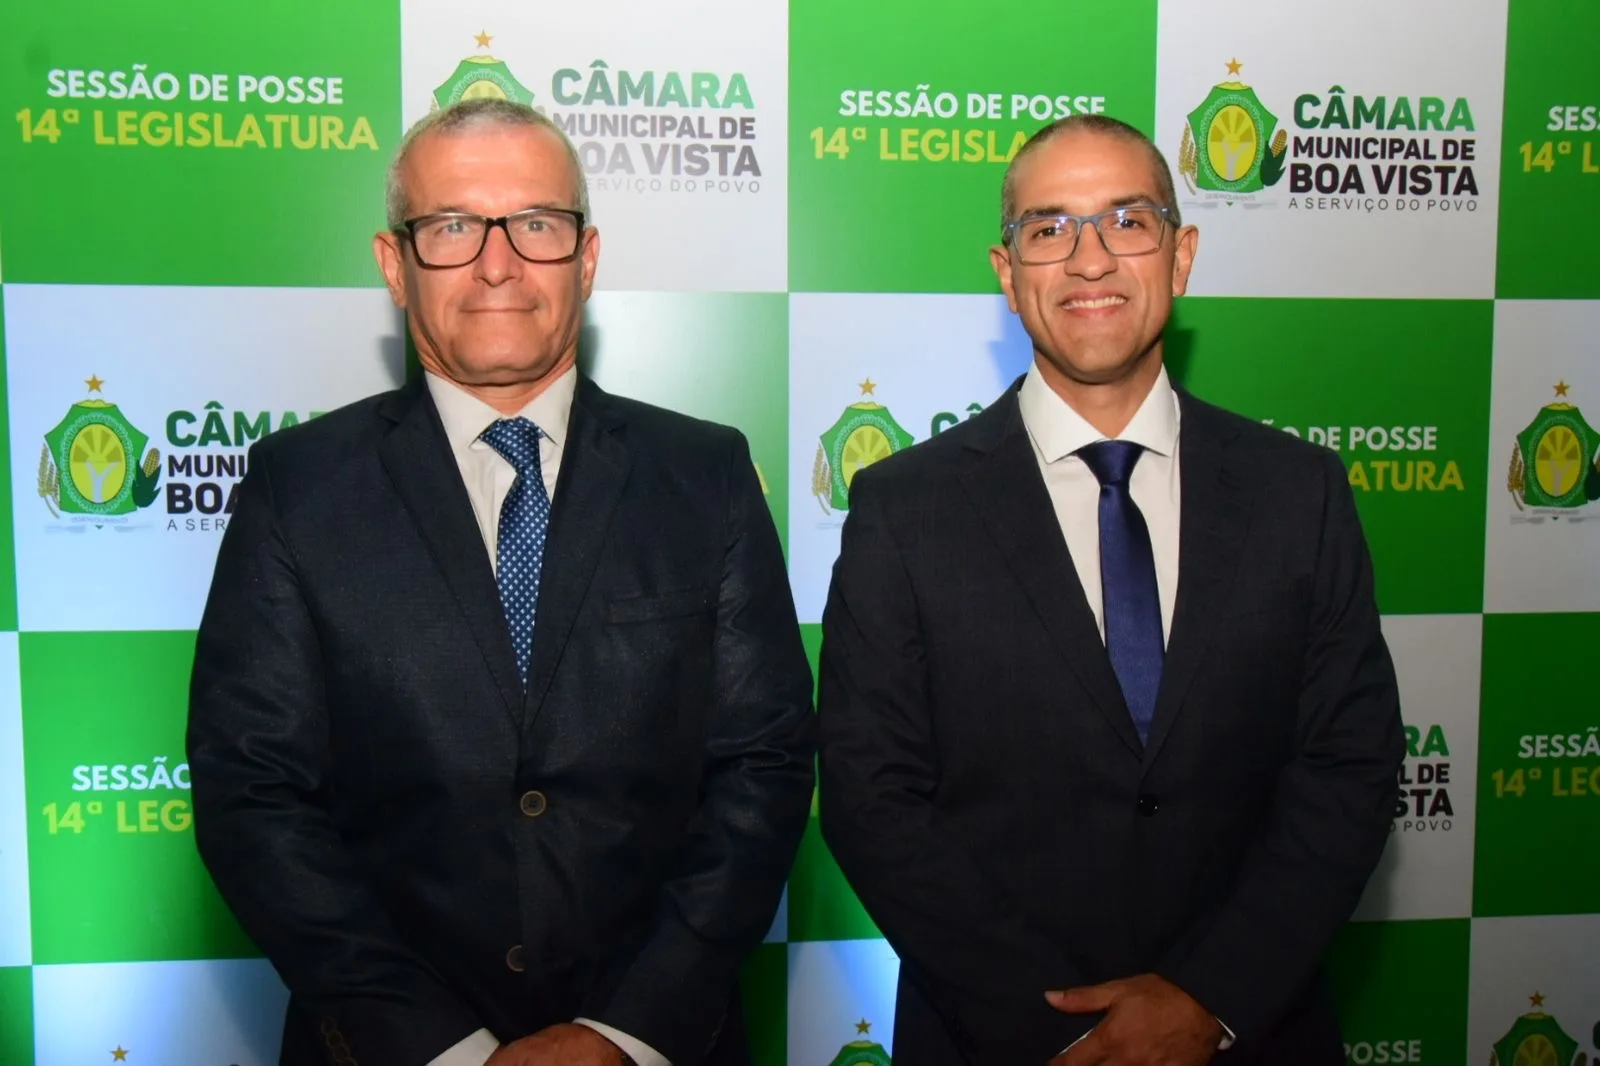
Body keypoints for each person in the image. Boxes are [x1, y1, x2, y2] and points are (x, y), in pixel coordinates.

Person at [186, 97, 816, 1066]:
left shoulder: (707, 474)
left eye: (535, 223)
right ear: (394, 264)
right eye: (450, 226)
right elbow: (252, 796)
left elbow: (764, 770)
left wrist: (623, 1031)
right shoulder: (296, 486)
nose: (496, 261)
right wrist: (445, 1047)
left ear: (587, 257)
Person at [815, 114, 1405, 1066]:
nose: (1089, 259)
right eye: (1049, 229)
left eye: (1128, 220)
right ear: (1008, 275)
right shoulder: (903, 508)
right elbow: (870, 799)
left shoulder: (1301, 492)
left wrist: (1209, 1001)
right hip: (998, 1041)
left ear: (1181, 256)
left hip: (1255, 1033)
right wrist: (1071, 1034)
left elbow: (1350, 768)